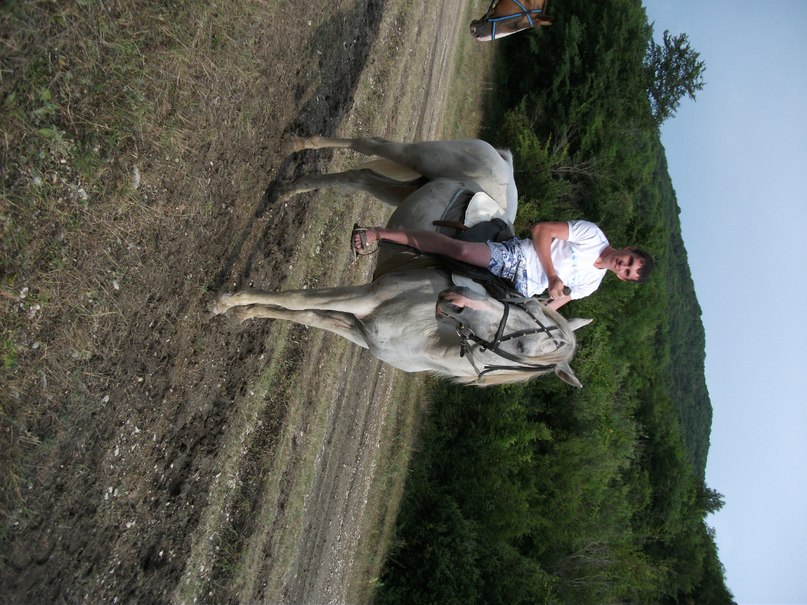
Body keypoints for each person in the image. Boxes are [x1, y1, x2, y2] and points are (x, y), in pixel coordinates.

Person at [352, 220, 654, 310]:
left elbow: (554, 304)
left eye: (627, 271)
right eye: (628, 260)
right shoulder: (593, 236)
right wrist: (551, 275)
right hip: (518, 257)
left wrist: (539, 316)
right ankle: (377, 234)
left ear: (624, 279)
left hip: (521, 291)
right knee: (460, 250)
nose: (622, 265)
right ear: (627, 249)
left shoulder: (592, 284)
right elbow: (542, 231)